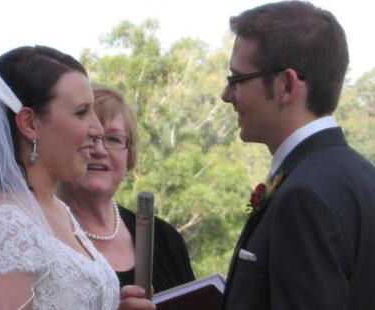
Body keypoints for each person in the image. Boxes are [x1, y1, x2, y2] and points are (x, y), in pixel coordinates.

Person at [0, 46, 154, 310]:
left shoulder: (57, 209)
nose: (97, 129)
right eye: (81, 112)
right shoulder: (1, 229)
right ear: (30, 124)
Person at [220, 2, 375, 310]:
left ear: (286, 85)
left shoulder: (303, 197)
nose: (226, 95)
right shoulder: (363, 176)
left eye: (237, 79)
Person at [58, 84, 195, 293]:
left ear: (129, 155)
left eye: (113, 139)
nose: (99, 149)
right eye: (89, 137)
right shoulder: (38, 234)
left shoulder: (166, 240)